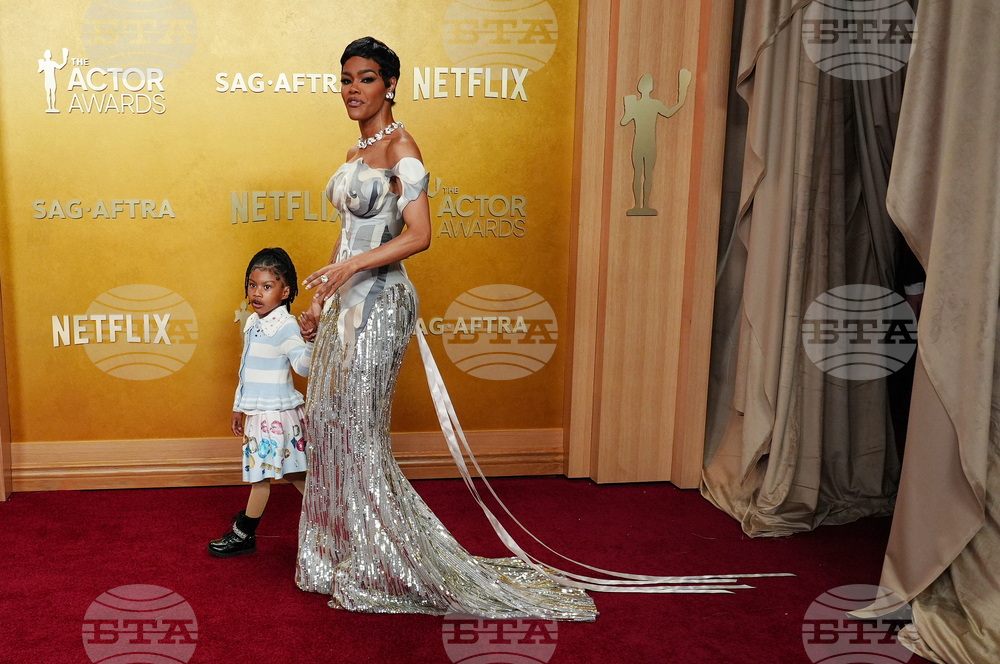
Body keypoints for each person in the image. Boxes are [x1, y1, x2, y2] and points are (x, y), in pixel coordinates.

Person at [294, 37, 598, 621]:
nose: (352, 90)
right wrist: (323, 296)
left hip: (382, 305)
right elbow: (347, 234)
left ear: (389, 86)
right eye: (345, 80)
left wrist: (351, 270)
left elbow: (418, 234)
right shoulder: (358, 150)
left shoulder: (403, 148)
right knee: (332, 424)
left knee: (361, 434)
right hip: (347, 303)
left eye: (365, 79)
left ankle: (382, 564)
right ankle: (345, 554)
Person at [208, 248, 314, 558]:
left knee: (262, 476)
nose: (257, 293)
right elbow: (247, 372)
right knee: (293, 473)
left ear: (286, 291)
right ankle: (330, 518)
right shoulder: (253, 322)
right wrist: (239, 406)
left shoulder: (287, 326)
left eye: (267, 286)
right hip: (258, 413)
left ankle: (244, 533)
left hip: (276, 416)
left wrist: (311, 339)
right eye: (253, 285)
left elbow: (303, 368)